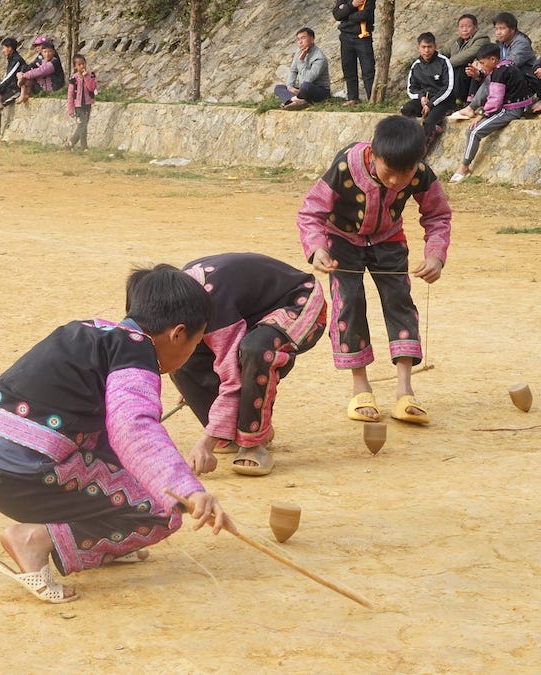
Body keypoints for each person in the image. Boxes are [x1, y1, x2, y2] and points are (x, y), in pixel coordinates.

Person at [0, 264, 231, 604]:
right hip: (26, 476)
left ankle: (99, 543)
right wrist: (188, 492)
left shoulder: (93, 332)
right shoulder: (136, 354)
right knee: (162, 509)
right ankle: (35, 540)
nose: (189, 355)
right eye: (196, 343)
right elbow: (133, 429)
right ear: (178, 334)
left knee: (137, 480)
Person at [297, 115, 451, 424]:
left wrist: (435, 256)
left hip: (388, 239)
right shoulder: (345, 167)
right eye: (389, 172)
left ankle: (405, 390)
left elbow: (437, 215)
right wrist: (317, 249)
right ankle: (360, 387)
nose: (396, 181)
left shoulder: (420, 173)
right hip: (342, 242)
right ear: (374, 155)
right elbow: (311, 211)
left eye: (405, 174)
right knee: (350, 303)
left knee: (399, 303)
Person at [170, 253, 326, 477]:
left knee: (257, 351)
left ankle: (254, 441)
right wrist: (191, 383)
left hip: (298, 300)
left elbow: (233, 380)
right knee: (181, 359)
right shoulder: (181, 295)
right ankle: (230, 432)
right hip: (249, 313)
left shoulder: (215, 307)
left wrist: (206, 442)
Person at [450, 43, 534, 183]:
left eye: (483, 63)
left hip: (511, 109)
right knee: (473, 130)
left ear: (493, 60)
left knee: (474, 131)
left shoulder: (499, 73)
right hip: (515, 105)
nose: (481, 66)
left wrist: (482, 114)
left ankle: (464, 167)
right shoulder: (506, 65)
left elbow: (495, 101)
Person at [452, 13, 536, 120]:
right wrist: (480, 71)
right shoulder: (502, 44)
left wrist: (488, 68)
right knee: (477, 71)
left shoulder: (521, 43)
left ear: (512, 29)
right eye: (496, 29)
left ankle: (471, 107)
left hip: (526, 81)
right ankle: (469, 104)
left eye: (502, 28)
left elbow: (508, 65)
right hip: (509, 79)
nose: (498, 32)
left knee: (494, 75)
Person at [400, 32, 454, 150]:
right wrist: (421, 97)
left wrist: (431, 104)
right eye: (423, 47)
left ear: (435, 46)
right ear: (418, 48)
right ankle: (410, 139)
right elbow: (411, 88)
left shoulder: (444, 62)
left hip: (441, 100)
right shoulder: (416, 66)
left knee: (429, 122)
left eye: (429, 47)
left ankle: (421, 150)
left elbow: (448, 87)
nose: (426, 50)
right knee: (406, 109)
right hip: (424, 99)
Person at [273, 27, 331, 110]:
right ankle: (300, 100)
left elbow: (307, 79)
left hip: (318, 90)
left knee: (306, 86)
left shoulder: (319, 58)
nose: (300, 42)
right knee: (278, 88)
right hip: (301, 89)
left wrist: (301, 61)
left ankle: (291, 100)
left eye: (303, 38)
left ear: (312, 39)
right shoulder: (299, 51)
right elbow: (293, 70)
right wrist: (290, 87)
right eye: (298, 39)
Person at [332, 0, 375, 105]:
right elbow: (337, 15)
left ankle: (372, 98)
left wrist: (346, 13)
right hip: (345, 36)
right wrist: (352, 5)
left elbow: (364, 15)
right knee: (348, 68)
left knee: (368, 69)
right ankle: (352, 98)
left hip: (363, 37)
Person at [447, 14, 489, 106]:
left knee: (460, 69)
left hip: (475, 76)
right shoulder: (456, 42)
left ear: (476, 27)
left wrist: (445, 64)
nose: (464, 29)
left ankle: (462, 102)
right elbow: (443, 52)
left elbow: (469, 54)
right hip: (460, 77)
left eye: (468, 26)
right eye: (461, 27)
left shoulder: (482, 39)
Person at [14, 35, 64, 103]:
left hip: (54, 84)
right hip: (44, 83)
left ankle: (25, 94)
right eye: (45, 52)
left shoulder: (54, 60)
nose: (37, 48)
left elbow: (42, 71)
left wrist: (24, 75)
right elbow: (31, 66)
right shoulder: (41, 57)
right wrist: (20, 73)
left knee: (30, 75)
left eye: (39, 45)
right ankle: (24, 94)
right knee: (25, 70)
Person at [66, 53, 97, 150]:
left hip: (87, 103)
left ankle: (83, 146)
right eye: (79, 65)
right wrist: (70, 109)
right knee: (82, 124)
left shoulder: (91, 75)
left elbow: (92, 88)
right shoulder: (73, 79)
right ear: (75, 66)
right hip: (78, 105)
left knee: (84, 125)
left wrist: (86, 77)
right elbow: (70, 95)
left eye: (83, 64)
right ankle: (73, 142)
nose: (82, 66)